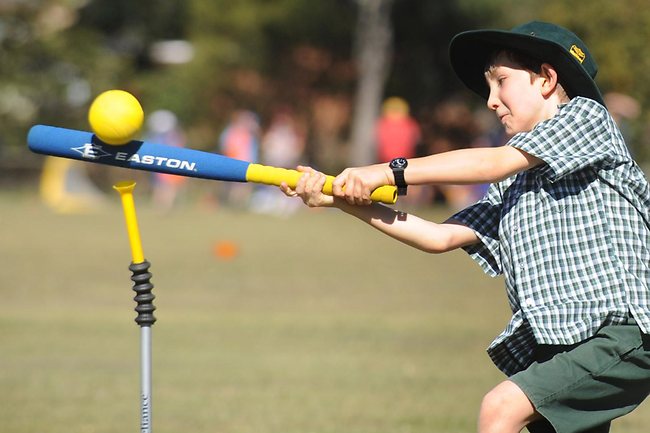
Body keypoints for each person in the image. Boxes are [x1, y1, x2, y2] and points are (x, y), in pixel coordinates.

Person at [281, 21, 650, 433]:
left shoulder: (586, 119)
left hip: (625, 331)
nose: (491, 101)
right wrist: (337, 200)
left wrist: (388, 172)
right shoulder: (513, 184)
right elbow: (438, 237)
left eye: (501, 82)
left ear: (547, 79)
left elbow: (491, 161)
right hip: (559, 348)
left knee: (500, 408)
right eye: (487, 89)